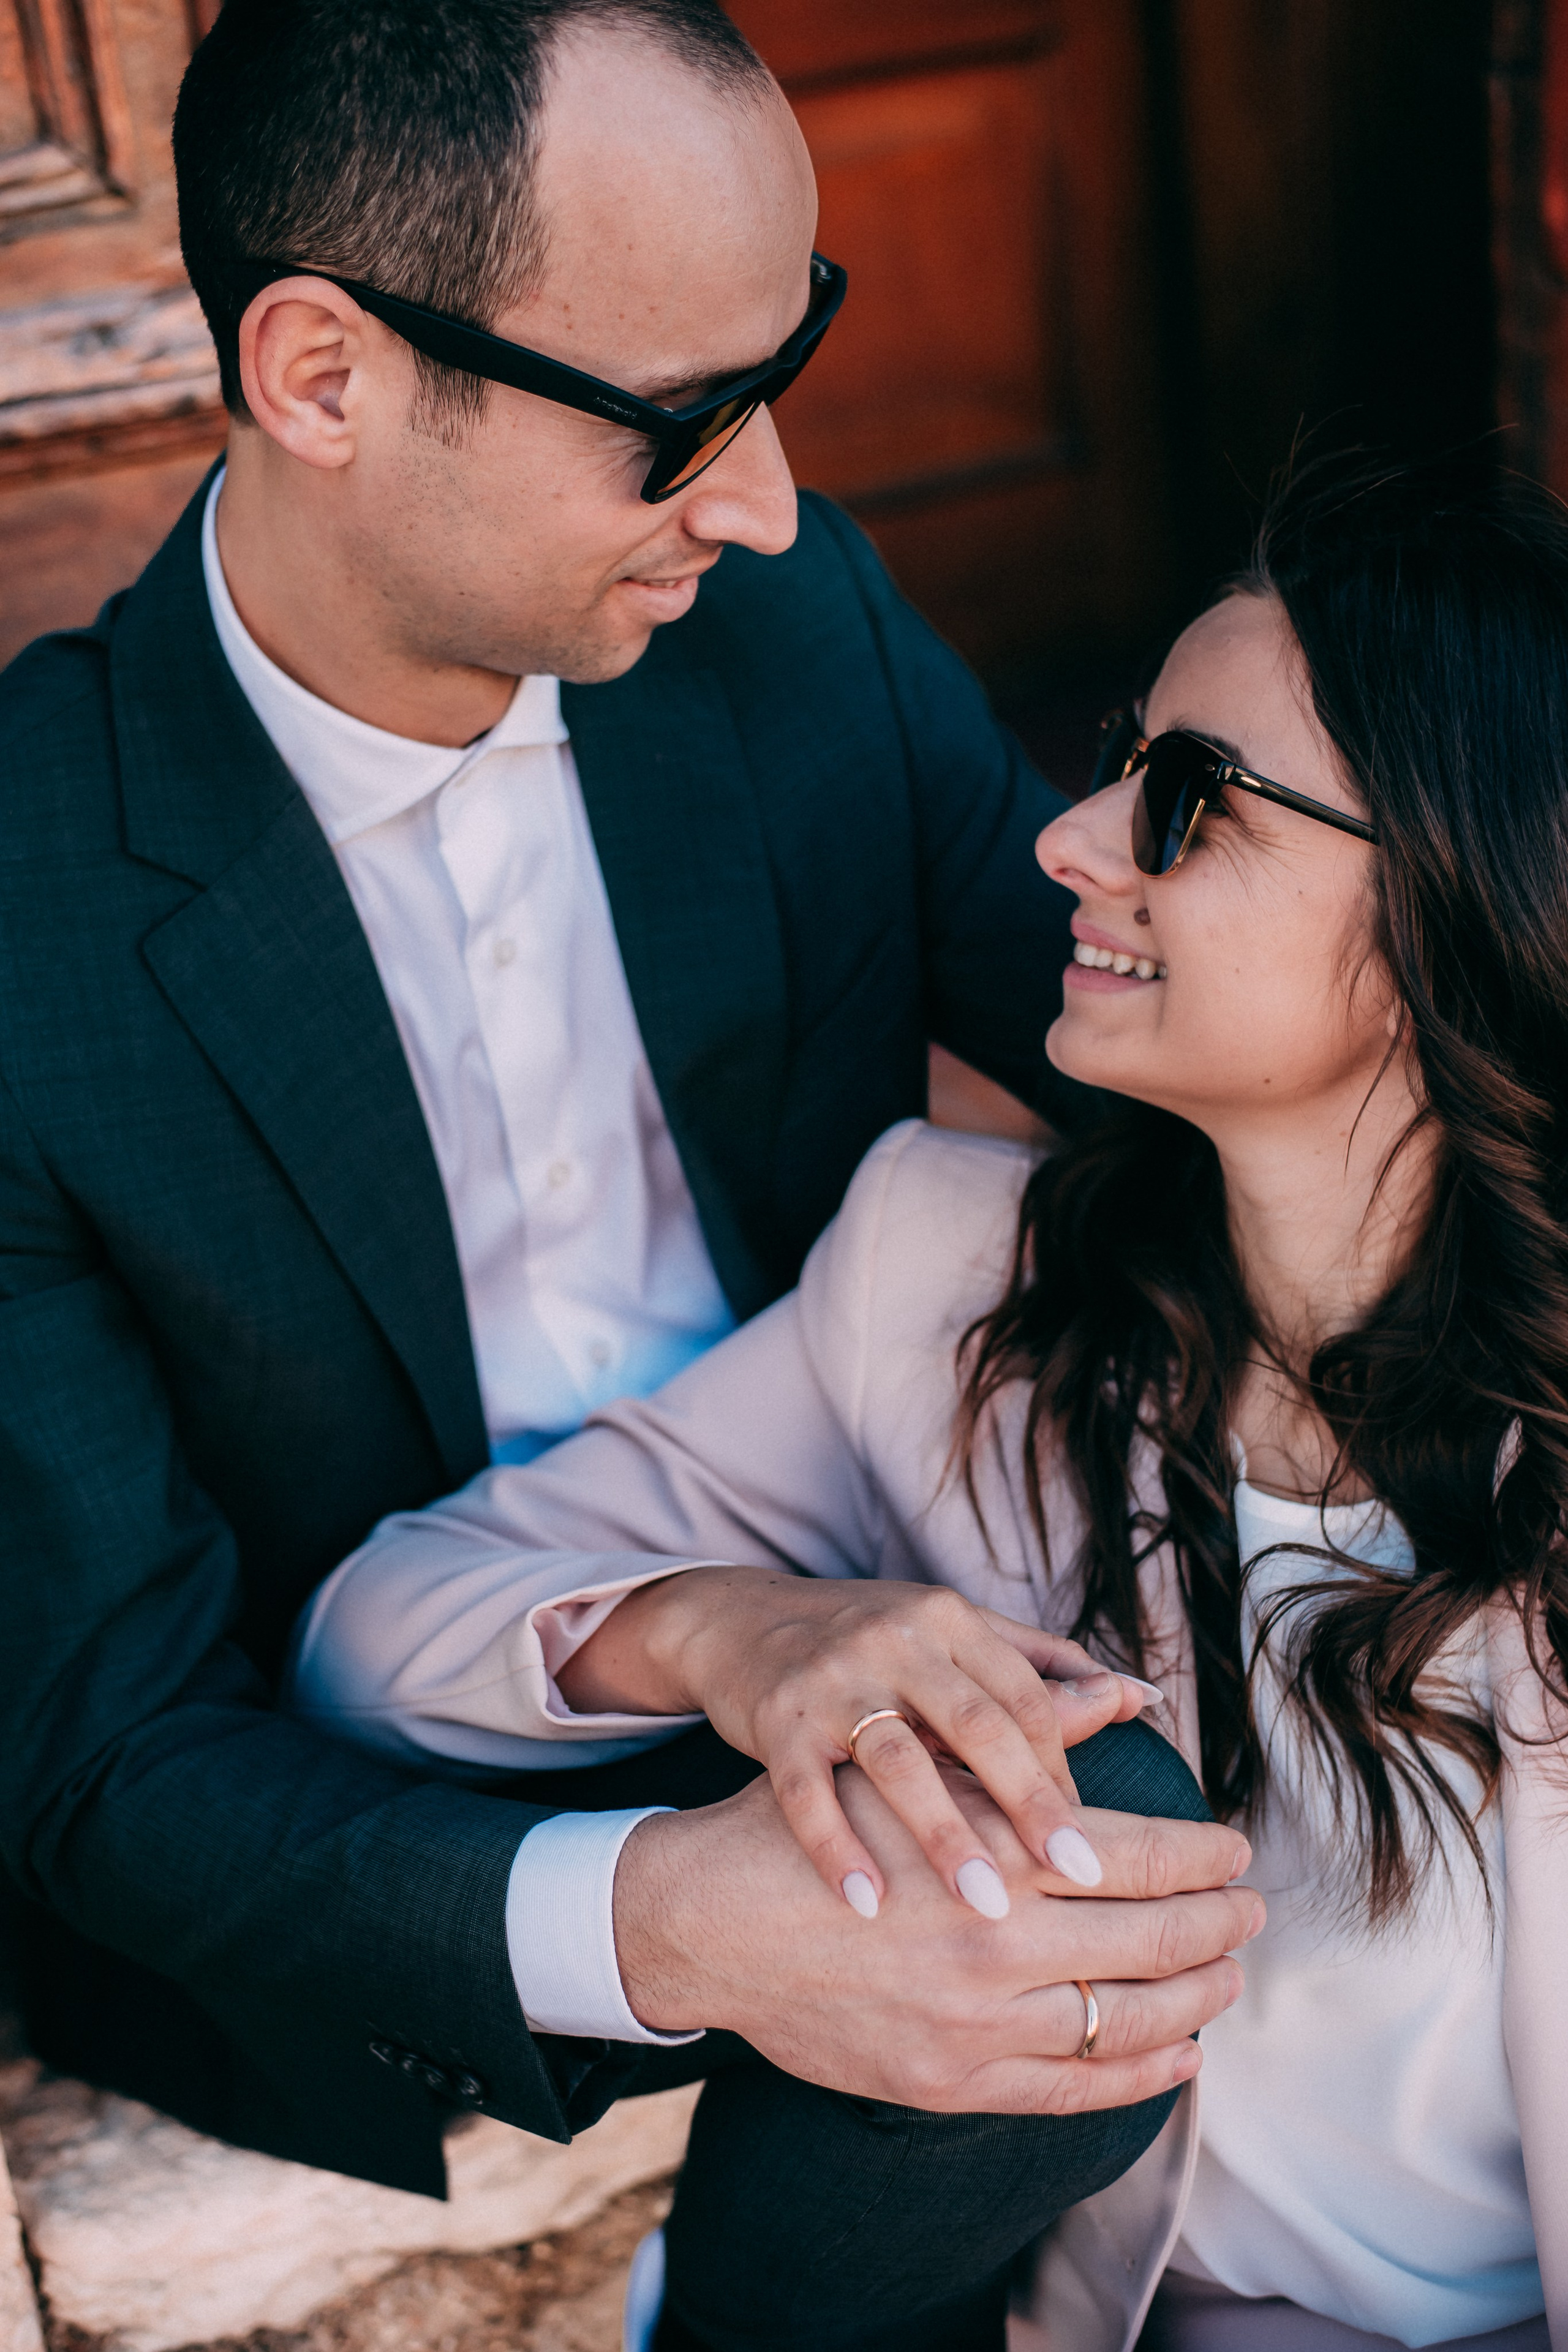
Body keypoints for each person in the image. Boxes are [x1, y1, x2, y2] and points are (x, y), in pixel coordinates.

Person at [0, 0, 1257, 2329]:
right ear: (321, 377)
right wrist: (669, 1916)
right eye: (682, 424)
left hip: (873, 1608)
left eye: (792, 367)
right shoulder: (19, 916)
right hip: (361, 1824)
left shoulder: (790, 633)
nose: (772, 497)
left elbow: (1164, 1088)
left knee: (1107, 1836)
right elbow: (103, 1761)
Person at [295, 453, 1568, 2352]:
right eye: (1123, 758)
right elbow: (370, 1638)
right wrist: (746, 1629)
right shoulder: (950, 1277)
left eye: (1186, 800)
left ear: (1447, 917)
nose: (1069, 837)